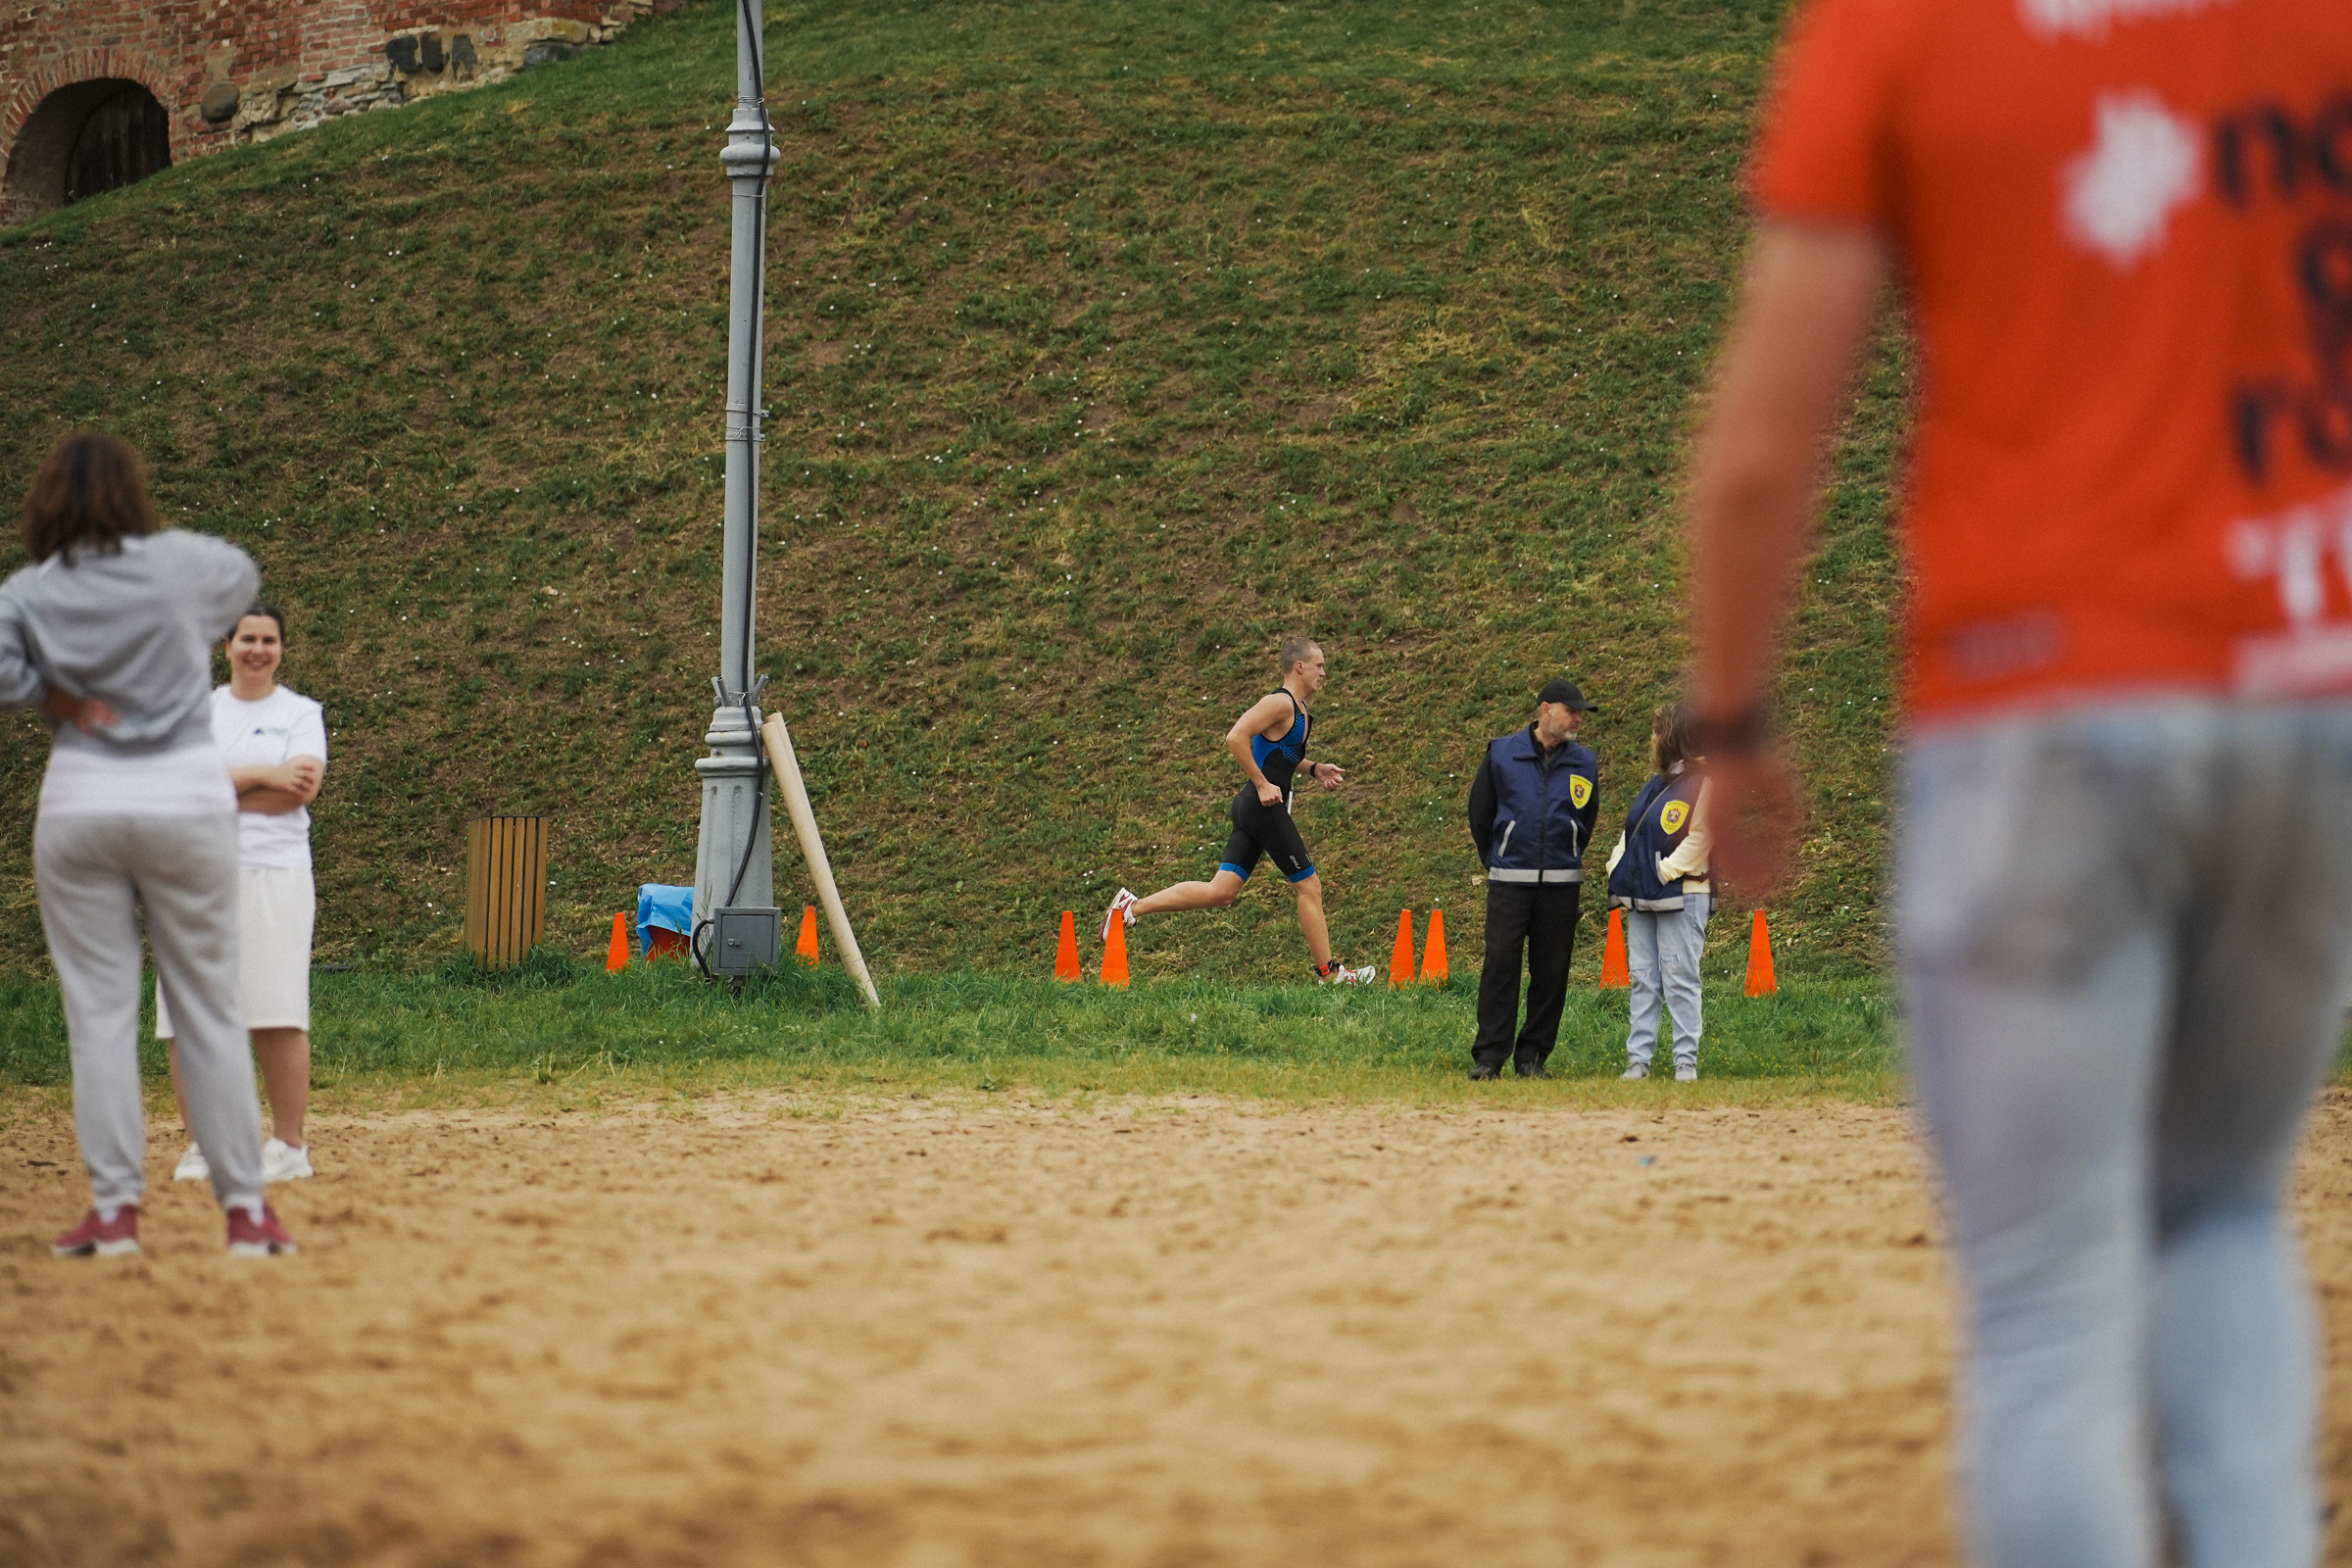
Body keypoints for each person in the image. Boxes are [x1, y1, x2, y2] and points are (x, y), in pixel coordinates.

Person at [1686, 1, 2352, 1562]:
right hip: (2309, 687)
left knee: (2051, 1311)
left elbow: (1760, 456)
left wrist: (1732, 716)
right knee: (2224, 1220)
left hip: (2044, 697)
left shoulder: (1901, 25)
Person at [0, 432, 296, 1257]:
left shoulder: (29, 591)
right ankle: (245, 1212)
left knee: (97, 1012)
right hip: (185, 799)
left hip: (81, 800)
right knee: (208, 1004)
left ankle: (116, 1212)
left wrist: (54, 694)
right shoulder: (179, 564)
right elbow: (240, 572)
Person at [160, 603, 326, 1186]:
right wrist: (264, 774)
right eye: (247, 638)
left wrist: (224, 786)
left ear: (281, 649)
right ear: (225, 645)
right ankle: (205, 1147)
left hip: (275, 874)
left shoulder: (302, 714)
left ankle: (287, 1146)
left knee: (276, 1011)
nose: (258, 649)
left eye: (269, 640)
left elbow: (298, 793)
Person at [1102, 635, 1376, 984]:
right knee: (1309, 886)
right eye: (1319, 666)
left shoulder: (1300, 709)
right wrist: (1262, 784)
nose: (1324, 673)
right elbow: (1236, 737)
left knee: (1222, 892)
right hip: (1263, 809)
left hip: (1254, 809)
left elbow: (1281, 755)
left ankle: (1132, 907)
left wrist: (1313, 768)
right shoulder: (1279, 703)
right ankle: (1331, 975)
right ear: (1299, 666)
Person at [1464, 679, 1600, 1080]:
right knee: (1500, 966)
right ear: (1545, 710)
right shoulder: (1502, 754)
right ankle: (1489, 1058)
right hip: (1510, 881)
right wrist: (1498, 858)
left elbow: (1586, 818)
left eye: (1581, 712)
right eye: (1571, 710)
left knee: (1552, 972)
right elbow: (1480, 814)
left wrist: (1568, 850)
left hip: (1561, 884)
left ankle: (1533, 1058)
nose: (1578, 718)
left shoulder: (1585, 762)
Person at [1604, 704, 1712, 1083]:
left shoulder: (1706, 783)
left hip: (1683, 894)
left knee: (1680, 977)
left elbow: (1701, 837)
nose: (1651, 739)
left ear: (1670, 737)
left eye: (1655, 731)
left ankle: (1686, 1062)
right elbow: (1630, 832)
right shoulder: (1655, 784)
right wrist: (1618, 864)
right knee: (1644, 977)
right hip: (1643, 896)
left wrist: (1663, 872)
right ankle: (1639, 1060)